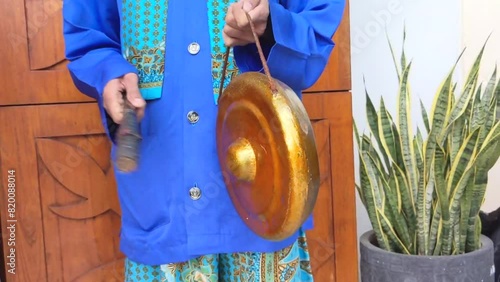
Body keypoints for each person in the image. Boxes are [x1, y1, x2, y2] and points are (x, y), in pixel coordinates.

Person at [62, 0, 345, 281]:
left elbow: (317, 18)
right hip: (162, 190)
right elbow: (88, 35)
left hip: (264, 187)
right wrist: (108, 72)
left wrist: (272, 26)